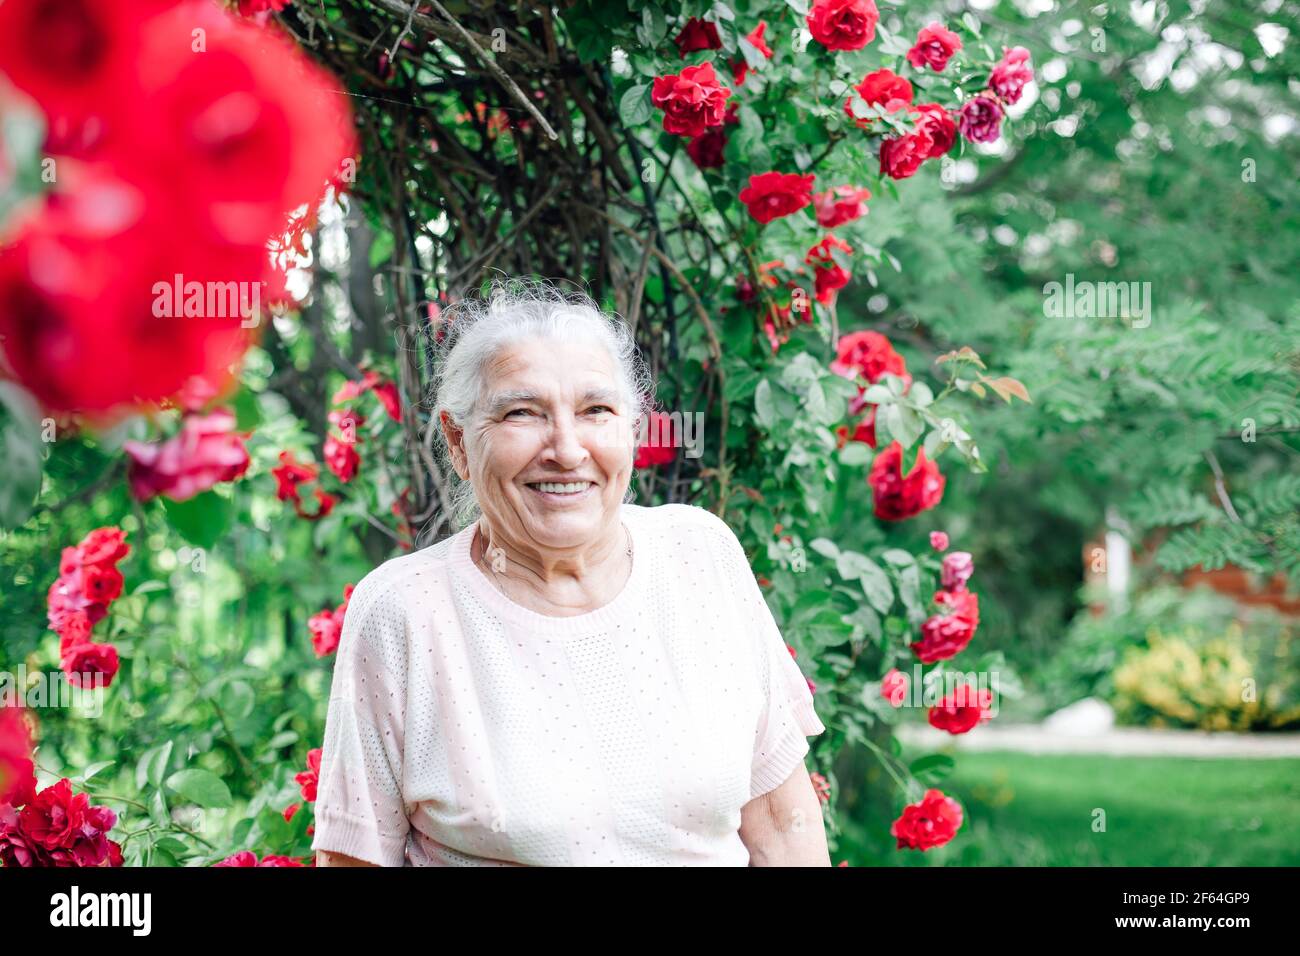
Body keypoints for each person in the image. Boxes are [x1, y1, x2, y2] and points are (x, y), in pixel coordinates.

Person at [311, 277, 827, 866]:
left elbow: (782, 826)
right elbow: (354, 860)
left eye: (595, 411)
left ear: (631, 430)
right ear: (458, 441)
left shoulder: (700, 554)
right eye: (523, 413)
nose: (567, 448)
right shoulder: (405, 612)